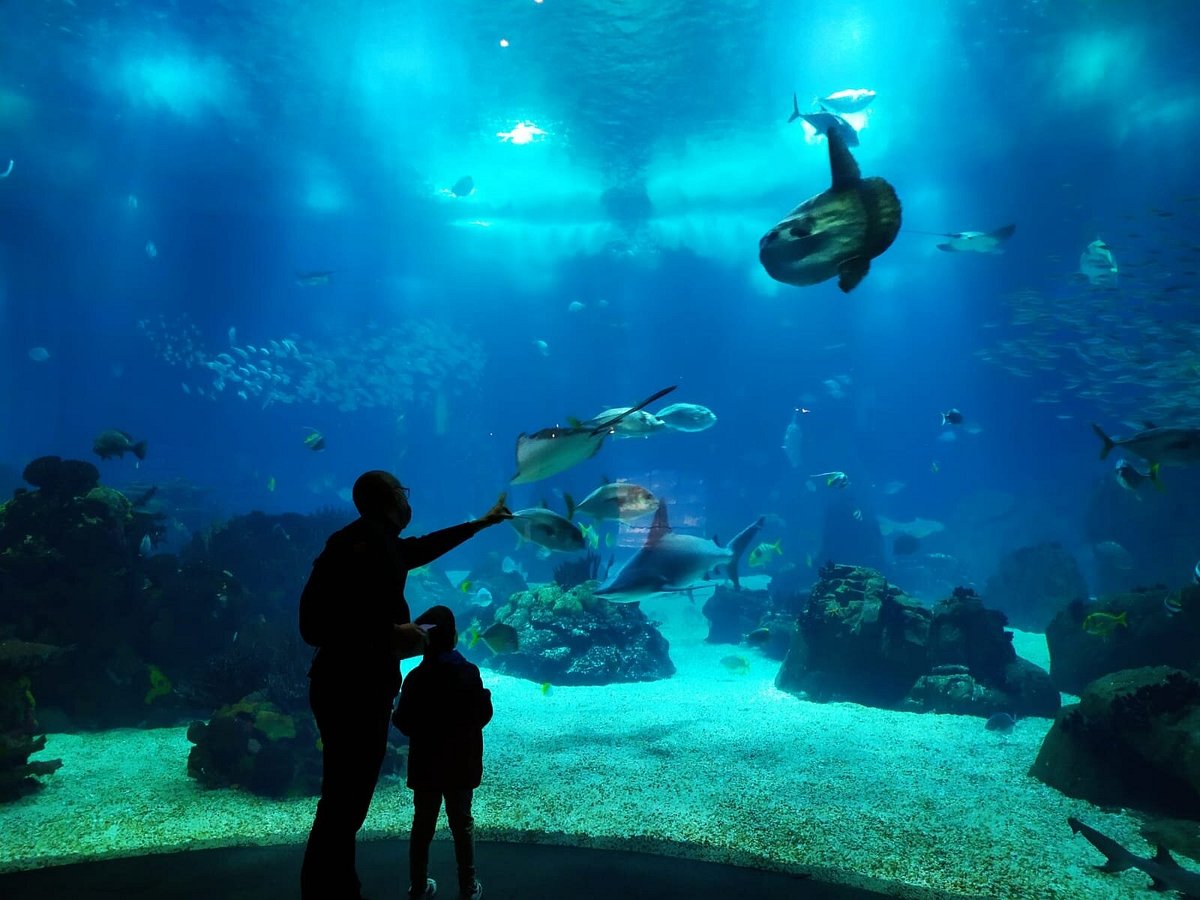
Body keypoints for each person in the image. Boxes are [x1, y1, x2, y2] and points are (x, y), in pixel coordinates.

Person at [298, 470, 511, 900]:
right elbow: (313, 625)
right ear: (391, 498)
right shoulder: (358, 546)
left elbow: (423, 547)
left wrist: (481, 524)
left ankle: (338, 886)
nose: (407, 499)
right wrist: (387, 637)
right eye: (402, 491)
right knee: (344, 802)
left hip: (358, 688)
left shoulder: (377, 543)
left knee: (346, 801)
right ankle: (326, 890)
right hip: (350, 690)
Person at [393, 605, 493, 900]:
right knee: (461, 823)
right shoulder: (469, 673)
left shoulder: (415, 679)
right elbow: (482, 715)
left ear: (422, 640)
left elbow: (404, 722)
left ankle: (419, 884)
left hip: (427, 767)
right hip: (462, 765)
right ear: (455, 637)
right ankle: (468, 885)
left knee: (423, 824)